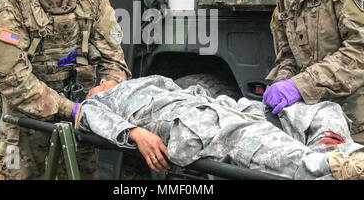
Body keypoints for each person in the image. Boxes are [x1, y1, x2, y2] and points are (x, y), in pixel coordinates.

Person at [0, 0, 131, 180]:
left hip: (79, 118)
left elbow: (114, 57)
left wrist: (111, 85)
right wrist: (70, 110)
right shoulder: (10, 0)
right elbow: (11, 78)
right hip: (27, 120)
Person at [77, 75, 364, 180]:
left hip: (216, 106)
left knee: (320, 111)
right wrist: (135, 133)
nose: (101, 83)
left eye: (101, 82)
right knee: (260, 141)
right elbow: (88, 117)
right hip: (193, 123)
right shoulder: (102, 101)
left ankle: (345, 155)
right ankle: (328, 167)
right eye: (95, 86)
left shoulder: (139, 82)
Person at [241, 0, 364, 144]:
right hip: (321, 125)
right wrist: (281, 84)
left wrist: (299, 86)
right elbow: (288, 56)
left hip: (358, 126)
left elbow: (360, 52)